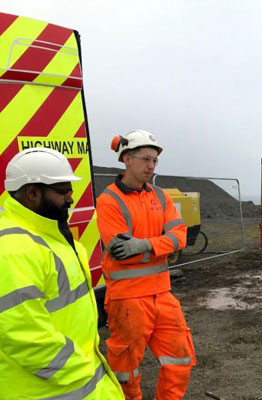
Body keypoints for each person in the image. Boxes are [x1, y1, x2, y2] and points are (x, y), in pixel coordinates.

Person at [0, 148, 124, 399]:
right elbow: (24, 336)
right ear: (32, 193)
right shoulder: (13, 249)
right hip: (51, 388)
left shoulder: (51, 235)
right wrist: (83, 372)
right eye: (62, 192)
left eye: (70, 190)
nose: (70, 198)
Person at [96, 130, 195, 400]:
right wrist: (163, 245)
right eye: (145, 159)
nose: (151, 166)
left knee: (180, 360)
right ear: (126, 159)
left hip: (162, 294)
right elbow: (122, 252)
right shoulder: (109, 200)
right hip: (127, 298)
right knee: (126, 371)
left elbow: (181, 237)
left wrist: (146, 245)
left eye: (155, 161)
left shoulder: (161, 196)